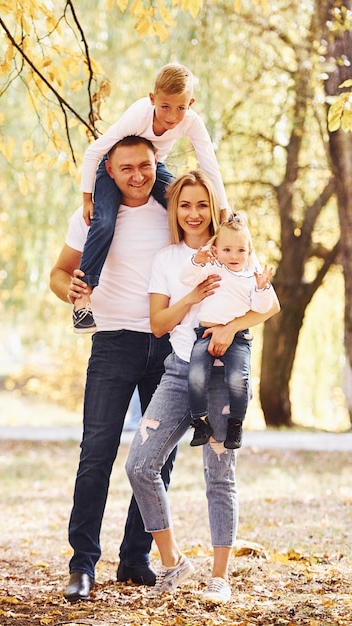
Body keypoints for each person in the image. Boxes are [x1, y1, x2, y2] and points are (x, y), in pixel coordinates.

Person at [125, 171, 280, 602]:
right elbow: (158, 324)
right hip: (179, 370)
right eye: (185, 205)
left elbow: (268, 306)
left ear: (214, 208)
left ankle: (220, 577)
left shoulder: (235, 247)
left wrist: (230, 328)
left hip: (222, 374)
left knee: (219, 473)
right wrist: (191, 299)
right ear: (175, 210)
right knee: (139, 465)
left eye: (202, 205)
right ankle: (174, 562)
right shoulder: (168, 259)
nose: (194, 214)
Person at [49, 136, 177, 603]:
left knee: (156, 459)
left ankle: (134, 556)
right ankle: (82, 565)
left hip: (168, 347)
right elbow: (58, 273)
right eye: (126, 168)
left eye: (145, 165)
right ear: (109, 171)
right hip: (112, 344)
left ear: (155, 164)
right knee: (96, 455)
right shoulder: (91, 218)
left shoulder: (173, 214)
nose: (138, 176)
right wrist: (71, 289)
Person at [73, 62, 230, 333]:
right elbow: (93, 152)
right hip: (113, 166)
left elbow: (209, 165)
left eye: (181, 107)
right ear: (152, 99)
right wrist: (88, 198)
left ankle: (210, 263)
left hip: (152, 166)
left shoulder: (191, 121)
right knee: (105, 220)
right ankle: (85, 295)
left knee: (184, 206)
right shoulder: (137, 116)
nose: (172, 116)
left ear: (190, 103)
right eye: (165, 106)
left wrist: (224, 210)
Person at [180, 212, 277, 449]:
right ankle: (200, 422)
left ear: (249, 252)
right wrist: (198, 261)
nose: (234, 256)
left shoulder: (250, 278)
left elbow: (263, 308)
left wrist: (263, 288)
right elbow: (186, 279)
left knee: (237, 379)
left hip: (238, 339)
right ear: (216, 249)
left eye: (240, 250)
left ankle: (235, 424)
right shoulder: (212, 269)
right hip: (206, 332)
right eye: (227, 250)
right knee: (195, 376)